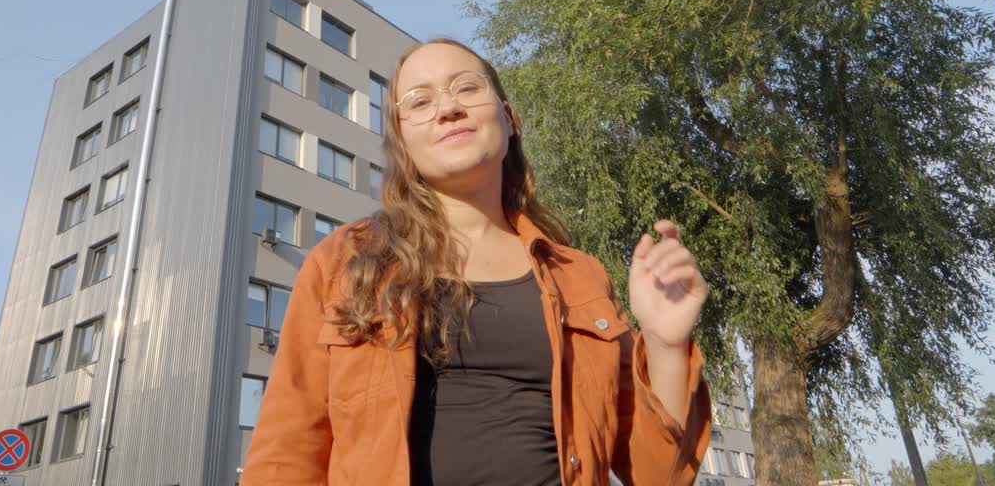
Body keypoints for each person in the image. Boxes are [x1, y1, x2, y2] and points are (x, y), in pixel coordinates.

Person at [239, 38, 711, 485]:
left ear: (508, 118)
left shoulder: (580, 276)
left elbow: (658, 474)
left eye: (467, 87)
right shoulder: (344, 263)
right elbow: (287, 450)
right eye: (421, 102)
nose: (449, 108)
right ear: (403, 142)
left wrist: (666, 344)